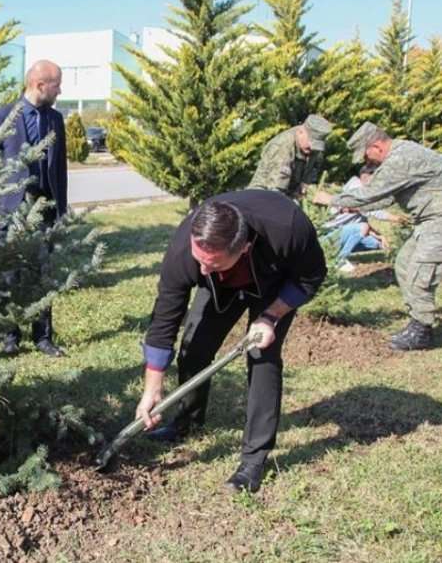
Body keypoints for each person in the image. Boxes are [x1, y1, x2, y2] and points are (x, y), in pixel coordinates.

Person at [135, 190, 326, 493]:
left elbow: (311, 277)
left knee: (262, 358)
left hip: (274, 283)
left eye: (211, 264)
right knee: (194, 349)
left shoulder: (287, 228)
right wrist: (152, 388)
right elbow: (164, 320)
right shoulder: (186, 250)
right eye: (200, 261)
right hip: (222, 287)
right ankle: (188, 422)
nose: (201, 270)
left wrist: (271, 316)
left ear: (245, 247)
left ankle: (253, 460)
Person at [315, 122, 442, 351]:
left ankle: (422, 331)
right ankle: (418, 322)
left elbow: (370, 194)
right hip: (430, 221)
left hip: (438, 221)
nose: (367, 161)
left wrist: (331, 199)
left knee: (419, 272)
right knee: (404, 264)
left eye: (366, 155)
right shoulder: (400, 154)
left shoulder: (400, 159)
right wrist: (353, 206)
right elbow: (385, 198)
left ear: (376, 146)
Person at [0, 60, 68, 358]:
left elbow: (60, 169)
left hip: (44, 208)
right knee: (9, 275)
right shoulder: (3, 117)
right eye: (57, 84)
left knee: (42, 274)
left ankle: (43, 337)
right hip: (11, 209)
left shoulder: (56, 120)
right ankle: (9, 336)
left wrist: (60, 211)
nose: (60, 90)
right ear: (39, 85)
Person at [248, 114, 333, 198]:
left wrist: (306, 183)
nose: (312, 148)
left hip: (289, 193)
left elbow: (314, 165)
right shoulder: (283, 147)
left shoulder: (311, 148)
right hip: (262, 196)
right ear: (300, 132)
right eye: (311, 143)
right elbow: (276, 192)